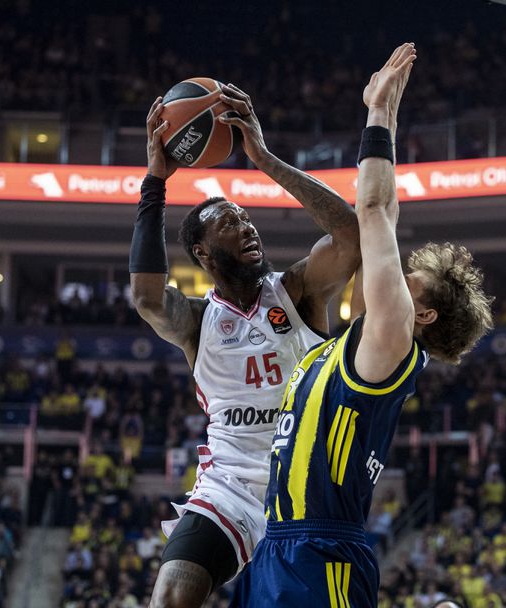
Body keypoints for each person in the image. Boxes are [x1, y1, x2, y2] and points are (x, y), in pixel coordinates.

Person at [231, 43, 494, 608]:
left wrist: (377, 114)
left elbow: (373, 212)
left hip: (321, 550)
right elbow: (382, 217)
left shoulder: (392, 338)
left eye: (408, 280)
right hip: (277, 545)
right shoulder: (350, 342)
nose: (393, 275)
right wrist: (388, 113)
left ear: (423, 314)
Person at [131, 77, 361, 606]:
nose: (247, 226)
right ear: (203, 253)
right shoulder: (196, 320)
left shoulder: (297, 292)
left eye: (247, 219)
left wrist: (263, 158)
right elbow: (145, 297)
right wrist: (155, 181)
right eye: (230, 223)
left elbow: (351, 237)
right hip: (228, 489)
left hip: (304, 486)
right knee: (171, 597)